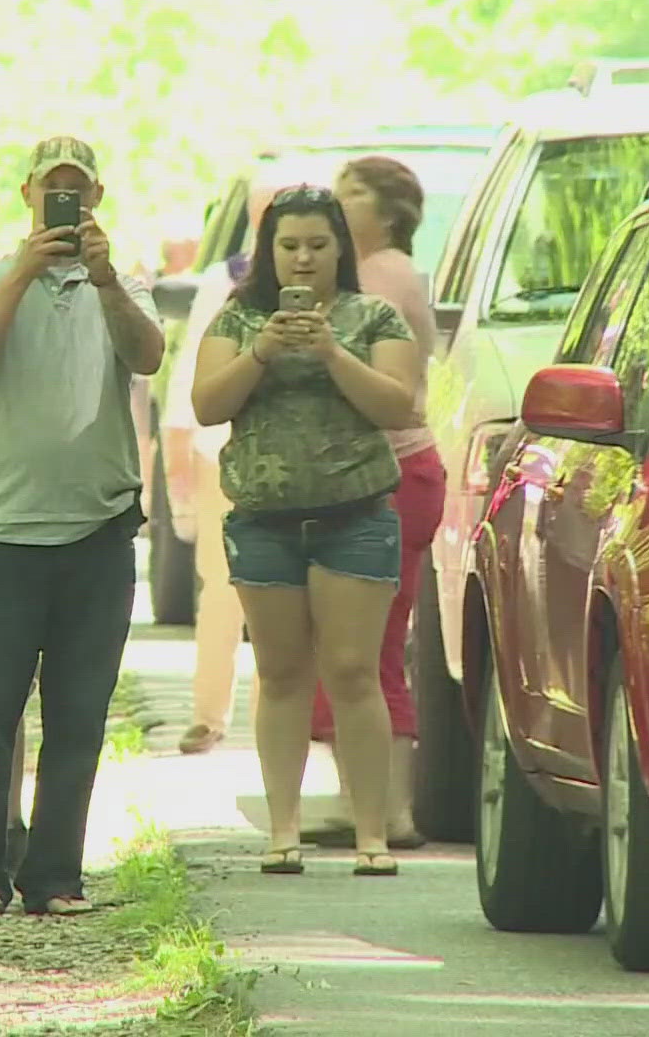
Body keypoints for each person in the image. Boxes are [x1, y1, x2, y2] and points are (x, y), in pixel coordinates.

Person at [0, 136, 163, 915]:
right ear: (27, 194)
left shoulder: (122, 282)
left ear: (95, 196)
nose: (62, 203)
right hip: (3, 531)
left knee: (79, 717)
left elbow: (149, 355)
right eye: (50, 191)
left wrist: (104, 281)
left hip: (96, 533)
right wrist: (27, 271)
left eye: (76, 191)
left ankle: (56, 874)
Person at [189, 184, 419, 877]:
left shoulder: (373, 316)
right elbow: (206, 404)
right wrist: (258, 351)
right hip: (264, 519)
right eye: (289, 246)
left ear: (340, 250)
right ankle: (282, 830)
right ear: (269, 252)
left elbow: (397, 407)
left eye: (318, 245)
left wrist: (332, 354)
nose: (303, 259)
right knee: (282, 671)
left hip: (355, 515)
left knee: (353, 670)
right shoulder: (239, 317)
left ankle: (371, 833)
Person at [303, 157, 445, 850]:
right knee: (353, 644)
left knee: (373, 647)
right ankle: (362, 797)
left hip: (387, 473)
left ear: (388, 211)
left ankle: (389, 808)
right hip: (375, 475)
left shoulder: (382, 272)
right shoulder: (378, 269)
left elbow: (379, 383)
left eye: (353, 192)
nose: (338, 200)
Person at [168, 180, 278, 755]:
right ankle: (209, 716)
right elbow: (193, 362)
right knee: (221, 587)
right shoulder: (226, 279)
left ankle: (274, 717)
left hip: (293, 459)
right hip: (224, 451)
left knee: (282, 593)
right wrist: (181, 443)